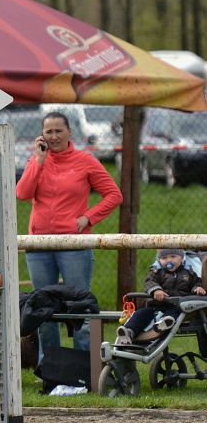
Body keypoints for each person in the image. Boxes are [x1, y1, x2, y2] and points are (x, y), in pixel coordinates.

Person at [16, 110, 122, 362]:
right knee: (43, 311)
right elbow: (22, 193)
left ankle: (86, 368)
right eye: (48, 132)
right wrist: (39, 162)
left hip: (74, 244)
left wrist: (88, 217)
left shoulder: (85, 160)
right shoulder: (36, 161)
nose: (53, 136)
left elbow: (113, 194)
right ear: (42, 135)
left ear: (69, 132)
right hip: (39, 244)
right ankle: (50, 370)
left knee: (80, 310)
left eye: (58, 131)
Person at [115, 248, 205, 345]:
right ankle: (128, 331)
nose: (168, 260)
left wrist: (198, 287)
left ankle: (164, 323)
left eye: (173, 257)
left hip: (175, 305)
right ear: (159, 259)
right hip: (155, 305)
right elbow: (149, 282)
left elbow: (196, 282)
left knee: (175, 311)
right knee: (141, 314)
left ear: (182, 258)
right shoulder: (156, 271)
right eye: (164, 258)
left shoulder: (189, 273)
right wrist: (156, 289)